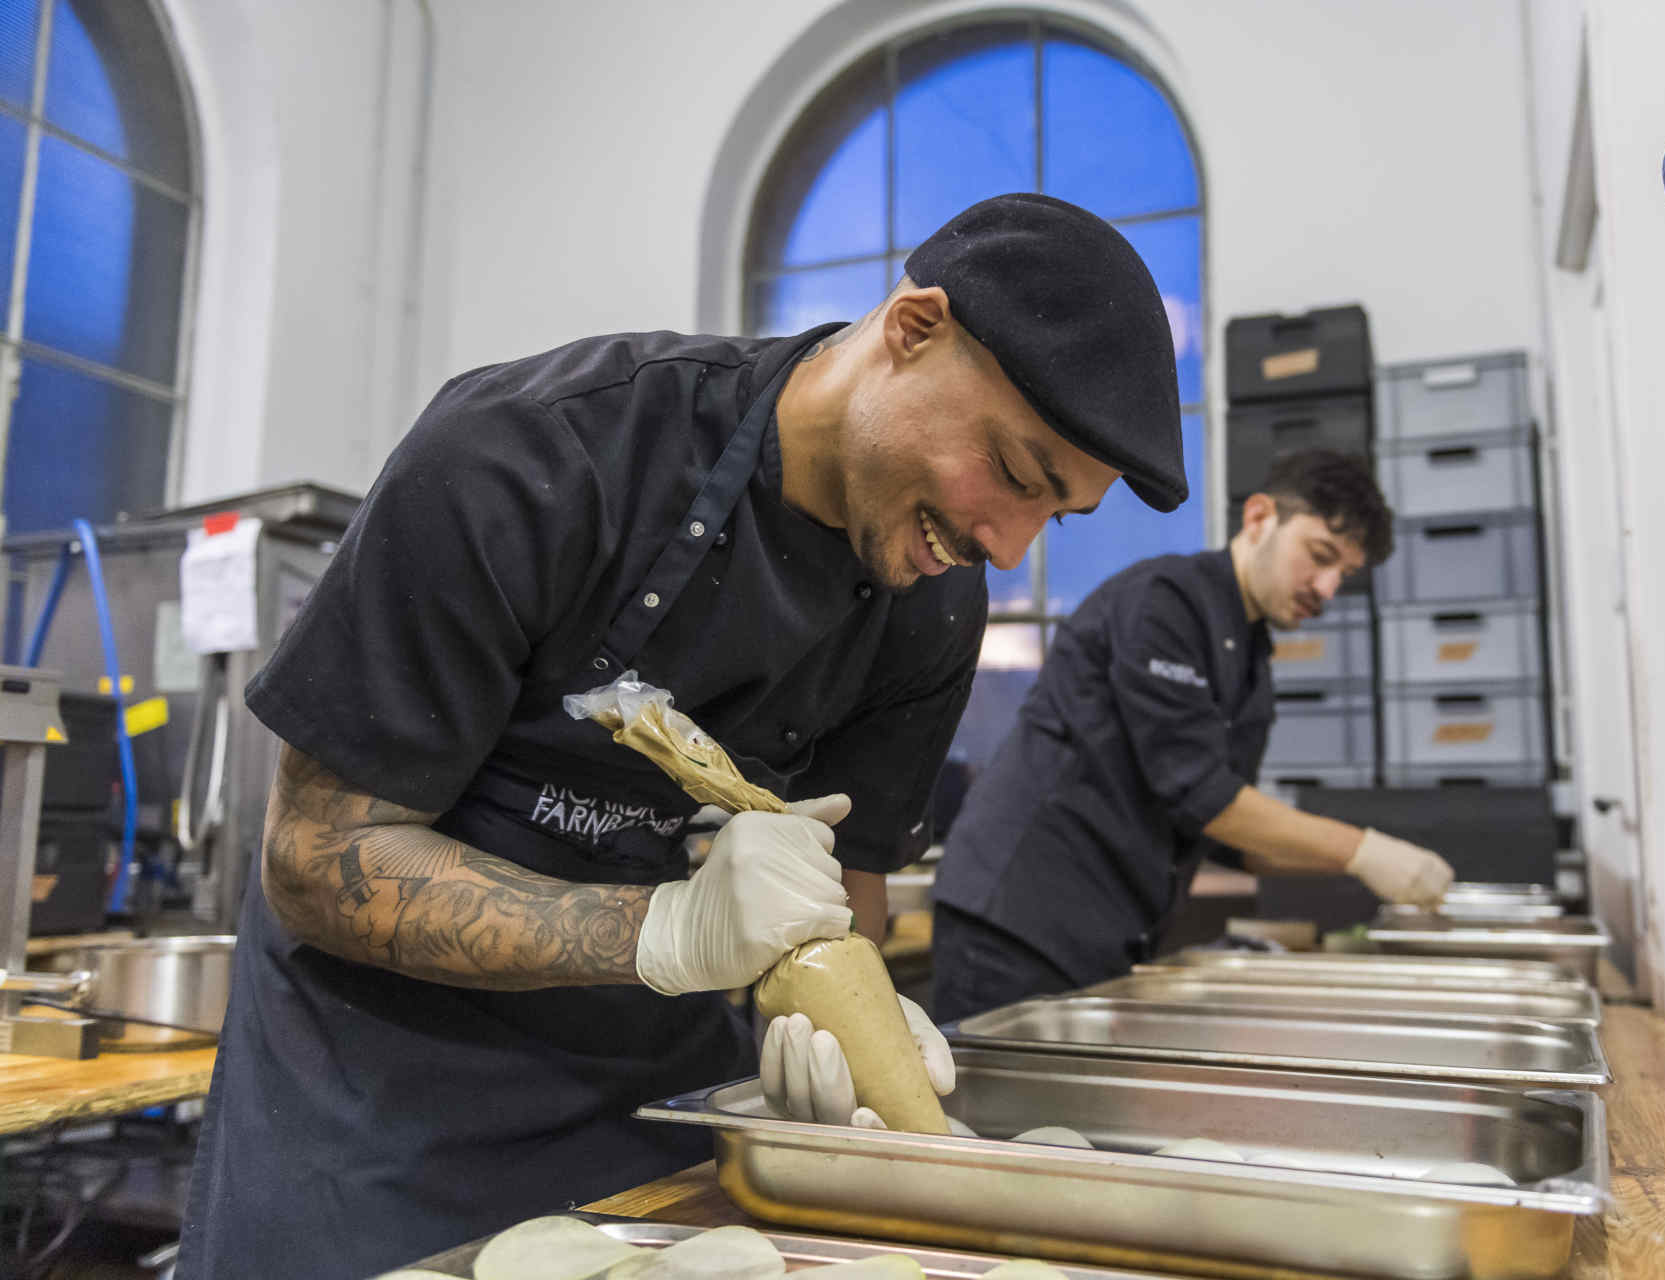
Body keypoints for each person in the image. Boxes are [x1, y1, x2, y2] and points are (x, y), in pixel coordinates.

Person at [174, 193, 1186, 1279]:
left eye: (1058, 515)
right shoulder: (530, 457)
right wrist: (666, 930)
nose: (1009, 543)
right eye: (1017, 472)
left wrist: (845, 1039)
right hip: (373, 1112)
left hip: (653, 1115)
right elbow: (318, 857)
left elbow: (849, 893)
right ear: (913, 329)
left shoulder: (930, 596)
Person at [929, 449, 1457, 1023]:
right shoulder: (1166, 604)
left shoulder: (1251, 663)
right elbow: (1203, 794)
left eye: (1344, 575)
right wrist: (1363, 849)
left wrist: (1371, 866)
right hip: (1018, 922)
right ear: (1259, 518)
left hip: (1107, 933)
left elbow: (1239, 840)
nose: (1328, 588)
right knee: (1003, 1112)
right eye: (1321, 555)